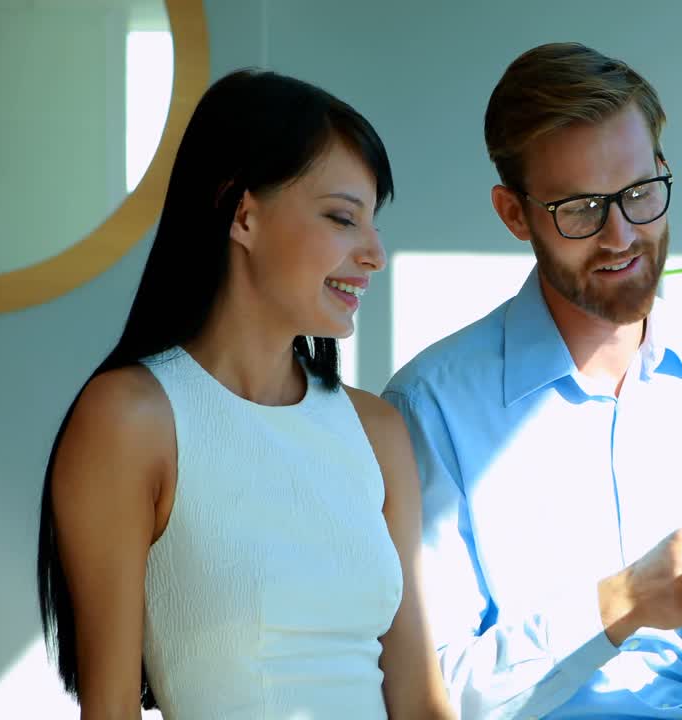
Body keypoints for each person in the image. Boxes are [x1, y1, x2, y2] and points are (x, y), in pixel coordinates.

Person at [383, 42, 682, 719]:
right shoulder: (431, 405)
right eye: (581, 209)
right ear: (515, 214)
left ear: (661, 169)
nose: (622, 234)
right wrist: (622, 601)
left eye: (639, 193)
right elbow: (433, 696)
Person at [36, 69, 453, 719]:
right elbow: (110, 708)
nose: (374, 253)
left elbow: (420, 701)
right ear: (245, 214)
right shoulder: (133, 419)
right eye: (344, 218)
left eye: (373, 223)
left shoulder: (376, 430)